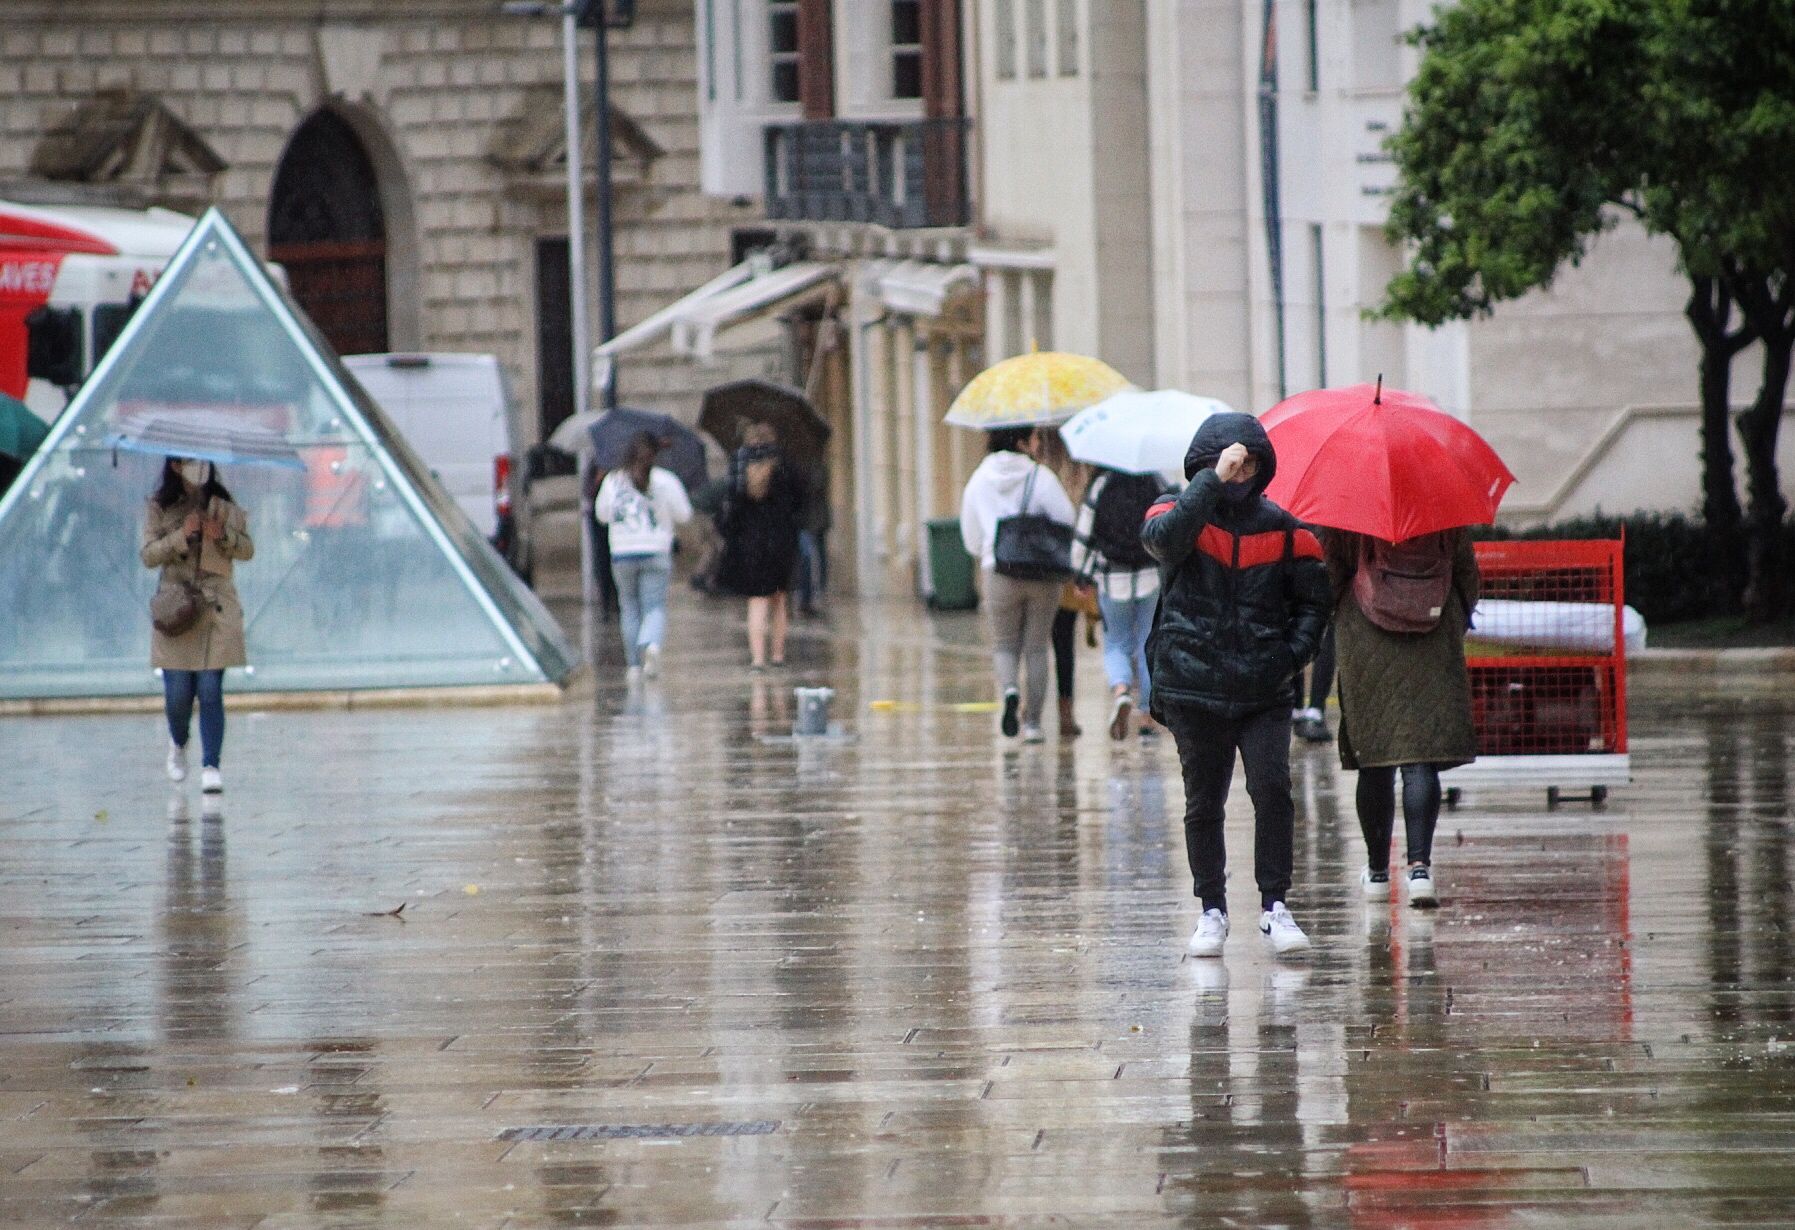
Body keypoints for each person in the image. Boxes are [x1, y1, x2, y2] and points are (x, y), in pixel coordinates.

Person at [1142, 413, 1330, 957]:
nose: (1238, 471)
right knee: (1204, 802)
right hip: (1191, 686)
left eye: (1247, 463)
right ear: (1204, 462)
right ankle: (1211, 910)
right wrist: (1210, 482)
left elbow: (1314, 603)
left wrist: (1290, 657)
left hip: (1263, 690)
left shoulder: (1286, 530)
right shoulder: (1175, 511)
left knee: (1272, 788)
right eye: (1228, 461)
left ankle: (1275, 905)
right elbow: (1162, 540)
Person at [1324, 527, 1480, 908]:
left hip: (1365, 639)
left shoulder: (1347, 511)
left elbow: (1328, 577)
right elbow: (1468, 577)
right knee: (1419, 754)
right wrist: (1451, 622)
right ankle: (1420, 869)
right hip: (1433, 635)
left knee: (1374, 758)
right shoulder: (1443, 511)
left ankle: (1378, 873)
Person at [141, 457, 254, 795]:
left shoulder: (223, 504)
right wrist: (182, 534)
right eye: (188, 461)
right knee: (178, 694)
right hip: (178, 609)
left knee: (209, 688)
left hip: (215, 608)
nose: (196, 467)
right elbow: (148, 555)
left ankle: (211, 764)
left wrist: (223, 534)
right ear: (174, 465)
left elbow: (247, 549)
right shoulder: (159, 506)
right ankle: (178, 743)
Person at [959, 425, 1077, 744]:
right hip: (1042, 572)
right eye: (1035, 437)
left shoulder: (979, 479)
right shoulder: (1040, 477)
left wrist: (986, 548)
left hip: (998, 571)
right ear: (1022, 441)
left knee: (1005, 644)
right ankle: (1035, 724)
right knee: (1037, 646)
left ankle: (1010, 690)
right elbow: (1066, 518)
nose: (1038, 443)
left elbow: (970, 535)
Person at [1071, 466, 1171, 740]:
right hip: (1150, 575)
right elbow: (1173, 518)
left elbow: (1083, 534)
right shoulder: (1155, 480)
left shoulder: (1101, 485)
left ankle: (1121, 690)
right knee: (1147, 643)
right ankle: (1148, 717)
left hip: (1112, 578)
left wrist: (1080, 574)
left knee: (1116, 643)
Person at [595, 431, 693, 682]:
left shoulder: (613, 480)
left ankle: (634, 666)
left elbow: (602, 515)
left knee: (629, 607)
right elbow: (684, 514)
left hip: (622, 552)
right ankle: (651, 645)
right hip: (656, 550)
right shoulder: (665, 480)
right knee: (654, 605)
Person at [715, 422, 806, 670]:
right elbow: (801, 498)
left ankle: (757, 659)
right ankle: (777, 656)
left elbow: (730, 505)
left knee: (757, 602)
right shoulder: (785, 464)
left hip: (751, 542)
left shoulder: (739, 465)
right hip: (781, 542)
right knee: (779, 600)